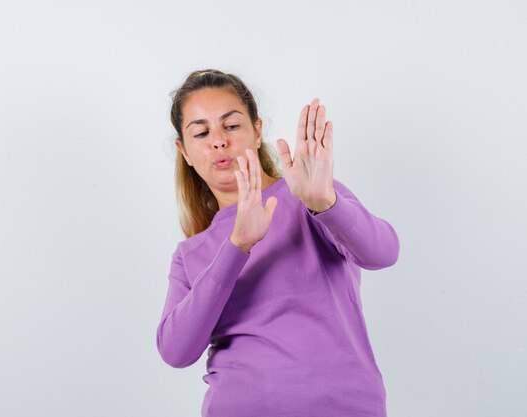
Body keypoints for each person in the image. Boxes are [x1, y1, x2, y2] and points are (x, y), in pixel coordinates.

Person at [156, 69, 400, 417]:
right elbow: (175, 351)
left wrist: (325, 202)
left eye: (231, 125)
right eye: (201, 132)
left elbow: (384, 253)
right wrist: (236, 246)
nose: (218, 141)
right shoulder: (190, 254)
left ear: (257, 131)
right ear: (185, 151)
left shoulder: (307, 195)